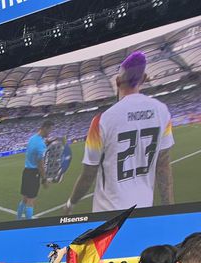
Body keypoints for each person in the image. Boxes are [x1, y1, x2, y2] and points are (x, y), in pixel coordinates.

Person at [69, 51, 174, 215]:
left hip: (107, 215)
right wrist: (170, 209)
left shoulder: (102, 120)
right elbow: (163, 166)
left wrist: (71, 202)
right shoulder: (162, 111)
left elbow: (88, 174)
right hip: (142, 211)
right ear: (144, 78)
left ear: (117, 81)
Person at [15, 119, 51, 220]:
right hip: (34, 174)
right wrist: (44, 179)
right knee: (31, 202)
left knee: (24, 199)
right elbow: (40, 164)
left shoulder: (32, 138)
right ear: (45, 128)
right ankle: (29, 226)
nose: (50, 133)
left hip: (26, 171)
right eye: (50, 130)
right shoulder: (40, 144)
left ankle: (18, 220)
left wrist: (46, 143)